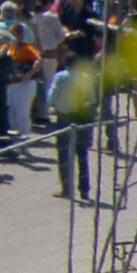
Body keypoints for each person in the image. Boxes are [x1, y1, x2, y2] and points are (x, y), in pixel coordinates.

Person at [52, 51, 94, 202]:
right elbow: (92, 99)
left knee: (64, 155)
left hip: (64, 118)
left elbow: (51, 97)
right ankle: (84, 190)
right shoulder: (85, 78)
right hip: (82, 119)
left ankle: (66, 189)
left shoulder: (60, 77)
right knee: (82, 155)